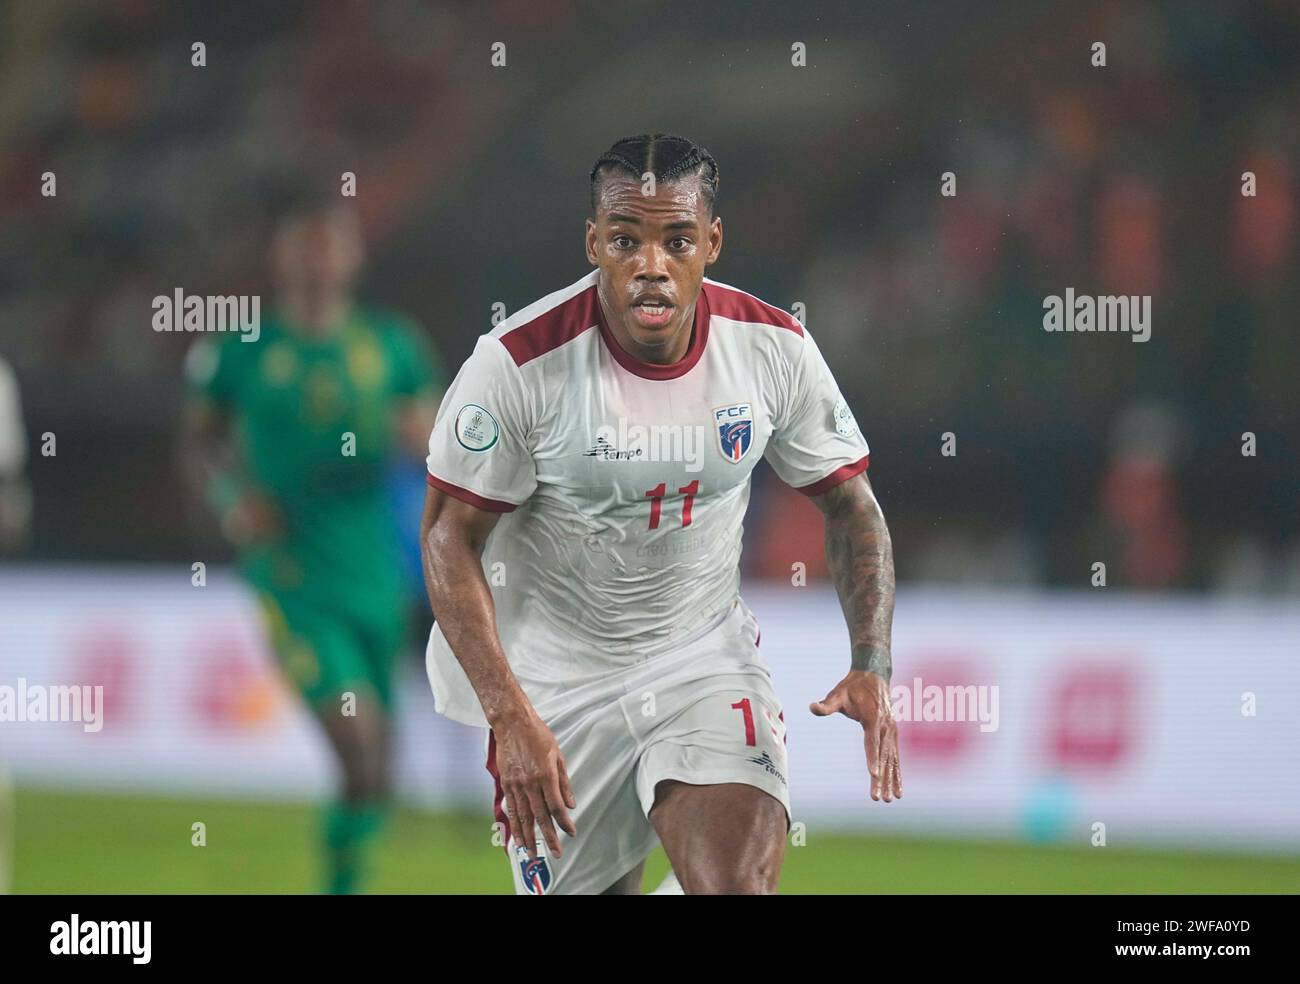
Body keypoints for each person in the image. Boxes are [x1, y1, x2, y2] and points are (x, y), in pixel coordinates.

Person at [420, 134, 900, 895]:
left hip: (701, 662)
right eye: (625, 240)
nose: (651, 264)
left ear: (711, 242)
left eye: (677, 240)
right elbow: (448, 537)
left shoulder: (771, 348)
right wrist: (509, 716)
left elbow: (852, 507)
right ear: (593, 244)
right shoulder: (516, 366)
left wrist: (871, 664)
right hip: (555, 693)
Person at [183, 195, 442, 893]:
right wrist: (232, 498)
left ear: (354, 256)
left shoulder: (390, 346)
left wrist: (427, 439)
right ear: (282, 255)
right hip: (293, 577)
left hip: (375, 575)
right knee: (355, 747)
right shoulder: (239, 352)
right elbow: (201, 443)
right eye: (305, 245)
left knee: (376, 773)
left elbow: (439, 436)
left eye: (332, 244)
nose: (319, 258)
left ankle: (344, 867)